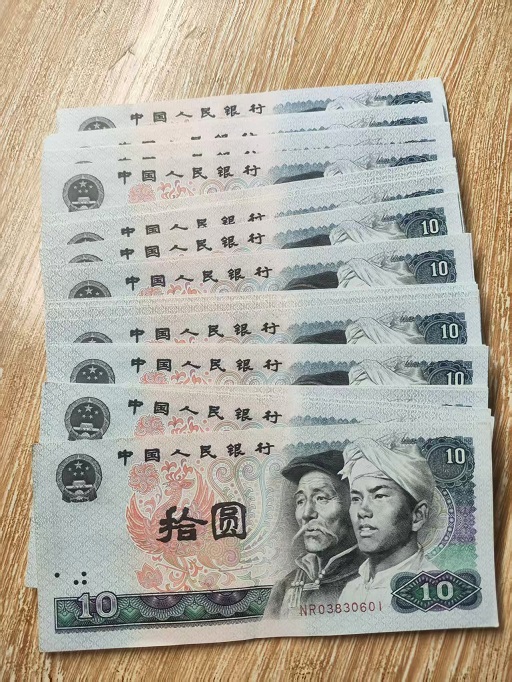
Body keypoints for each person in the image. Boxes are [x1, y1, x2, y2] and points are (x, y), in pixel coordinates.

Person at [338, 436, 437, 606]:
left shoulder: (433, 588)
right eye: (356, 498)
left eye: (379, 496)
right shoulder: (351, 591)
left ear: (417, 515)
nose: (362, 511)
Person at [265, 450, 364, 618]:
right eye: (301, 501)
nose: (306, 514)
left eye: (321, 498)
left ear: (354, 503)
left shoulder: (375, 577)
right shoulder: (285, 586)